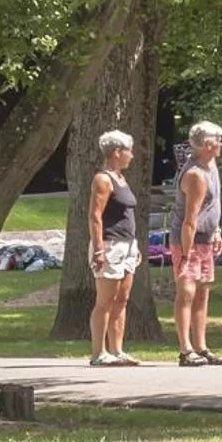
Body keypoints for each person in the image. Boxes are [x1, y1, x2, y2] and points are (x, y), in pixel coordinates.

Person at [170, 121, 222, 367]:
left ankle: (201, 347)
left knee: (203, 292)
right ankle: (185, 350)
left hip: (206, 238)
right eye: (218, 139)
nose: (221, 143)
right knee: (187, 293)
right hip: (188, 240)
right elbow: (189, 220)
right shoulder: (195, 175)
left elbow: (213, 205)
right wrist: (185, 253)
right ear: (206, 144)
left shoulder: (211, 165)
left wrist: (216, 231)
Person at [86, 130, 144, 367]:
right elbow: (95, 216)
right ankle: (98, 353)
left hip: (128, 244)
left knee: (122, 298)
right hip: (110, 244)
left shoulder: (121, 178)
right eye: (128, 151)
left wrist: (134, 244)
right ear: (117, 152)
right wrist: (99, 249)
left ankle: (117, 350)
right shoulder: (103, 179)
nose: (132, 155)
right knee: (105, 301)